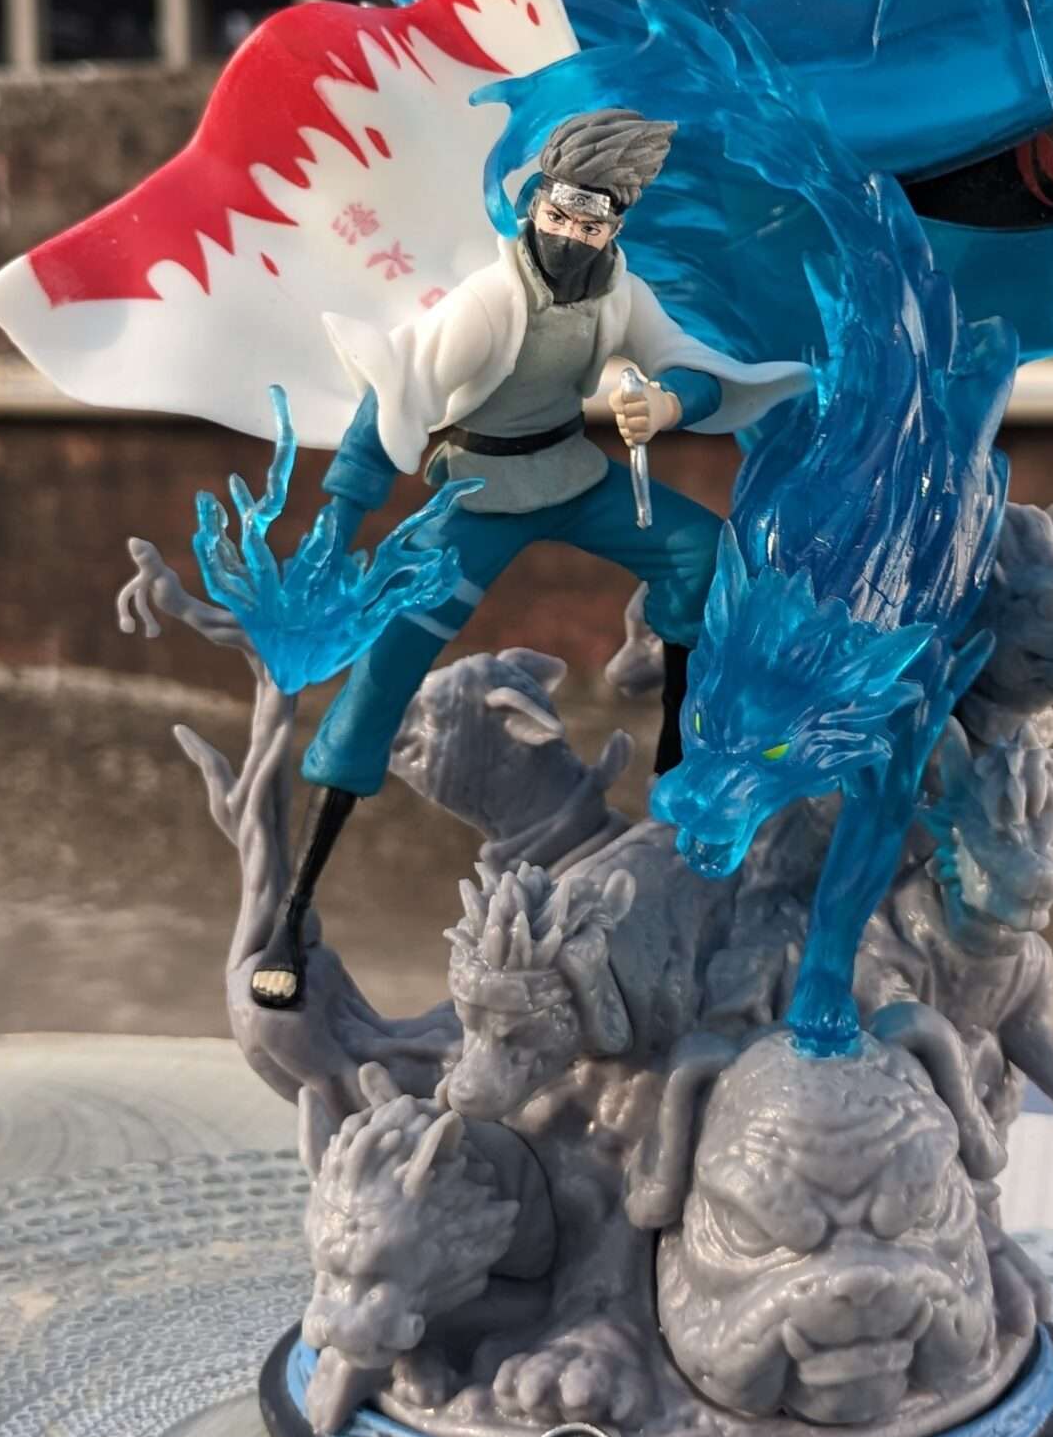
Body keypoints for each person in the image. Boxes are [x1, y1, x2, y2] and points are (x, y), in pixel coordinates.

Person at [249, 107, 807, 1007]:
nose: (576, 233)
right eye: (564, 211)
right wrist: (339, 520)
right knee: (387, 665)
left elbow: (685, 362)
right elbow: (396, 391)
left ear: (616, 226)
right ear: (535, 206)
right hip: (475, 493)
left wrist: (667, 404)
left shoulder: (617, 291)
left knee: (703, 554)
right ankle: (295, 907)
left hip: (572, 472)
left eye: (598, 219)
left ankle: (677, 768)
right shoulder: (490, 300)